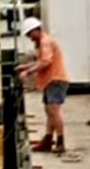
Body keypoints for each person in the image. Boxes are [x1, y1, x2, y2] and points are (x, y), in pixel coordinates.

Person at [15, 17, 69, 154]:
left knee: (53, 110)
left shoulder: (45, 42)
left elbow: (45, 62)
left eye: (30, 34)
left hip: (56, 80)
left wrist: (28, 72)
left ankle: (60, 141)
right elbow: (41, 61)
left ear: (36, 30)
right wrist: (26, 66)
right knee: (49, 110)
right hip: (50, 81)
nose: (29, 38)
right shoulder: (43, 42)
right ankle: (48, 139)